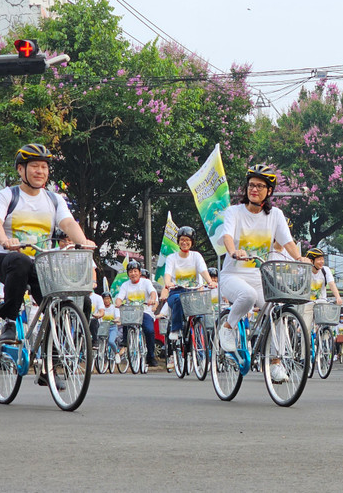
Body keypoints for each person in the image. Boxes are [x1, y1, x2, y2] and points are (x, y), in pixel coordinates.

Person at [0, 143, 96, 388]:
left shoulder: (54, 200)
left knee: (79, 302)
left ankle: (53, 363)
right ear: (21, 170)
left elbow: (68, 223)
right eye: (34, 166)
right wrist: (5, 240)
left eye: (44, 167)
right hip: (8, 260)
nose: (40, 171)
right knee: (22, 261)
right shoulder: (7, 196)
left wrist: (83, 241)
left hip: (42, 267)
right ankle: (10, 321)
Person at [217, 164, 307, 383]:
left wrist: (300, 259)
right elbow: (227, 235)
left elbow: (287, 242)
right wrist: (233, 251)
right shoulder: (234, 212)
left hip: (259, 277)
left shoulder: (275, 215)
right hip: (232, 275)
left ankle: (276, 363)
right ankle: (228, 327)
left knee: (276, 311)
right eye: (251, 185)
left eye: (259, 186)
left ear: (269, 191)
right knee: (246, 296)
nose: (254, 189)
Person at [164, 225, 217, 369]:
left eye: (187, 240)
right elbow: (167, 274)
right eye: (182, 240)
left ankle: (201, 357)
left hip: (194, 292)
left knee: (199, 323)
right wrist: (168, 283)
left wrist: (210, 282)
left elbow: (203, 271)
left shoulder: (196, 256)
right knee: (177, 300)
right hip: (176, 292)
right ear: (178, 241)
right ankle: (175, 329)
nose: (184, 242)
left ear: (192, 242)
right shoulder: (172, 258)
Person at [115, 261, 160, 367]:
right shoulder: (125, 285)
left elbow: (152, 292)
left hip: (145, 311)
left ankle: (150, 355)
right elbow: (119, 298)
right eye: (130, 271)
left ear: (139, 273)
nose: (133, 273)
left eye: (135, 271)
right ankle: (126, 342)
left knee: (149, 331)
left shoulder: (146, 283)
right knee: (125, 319)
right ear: (128, 274)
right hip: (131, 313)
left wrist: (152, 299)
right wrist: (118, 302)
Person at [100, 291, 121, 364]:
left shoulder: (114, 307)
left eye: (108, 298)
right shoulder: (101, 308)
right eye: (105, 299)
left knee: (111, 341)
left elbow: (117, 317)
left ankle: (116, 353)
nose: (106, 300)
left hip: (112, 327)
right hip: (103, 327)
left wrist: (115, 320)